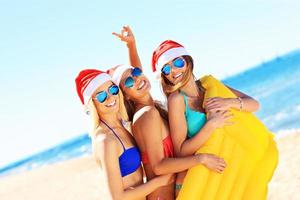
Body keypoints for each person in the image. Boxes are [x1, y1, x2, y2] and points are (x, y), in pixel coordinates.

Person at [110, 26, 227, 200]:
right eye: (129, 81)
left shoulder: (152, 108)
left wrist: (131, 46)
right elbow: (158, 166)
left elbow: (137, 77)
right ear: (125, 95)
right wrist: (201, 159)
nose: (137, 79)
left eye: (136, 73)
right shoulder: (147, 114)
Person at [151, 40, 278, 199]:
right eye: (167, 69)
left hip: (226, 170)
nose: (174, 70)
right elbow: (181, 151)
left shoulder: (209, 85)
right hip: (200, 178)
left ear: (188, 61)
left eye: (177, 62)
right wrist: (211, 125)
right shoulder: (176, 100)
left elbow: (254, 104)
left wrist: (229, 102)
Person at [75, 69, 173, 200]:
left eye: (113, 89)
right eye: (101, 96)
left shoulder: (121, 126)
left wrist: (131, 48)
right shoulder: (105, 140)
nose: (110, 97)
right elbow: (118, 196)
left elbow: (136, 79)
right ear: (91, 105)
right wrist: (159, 182)